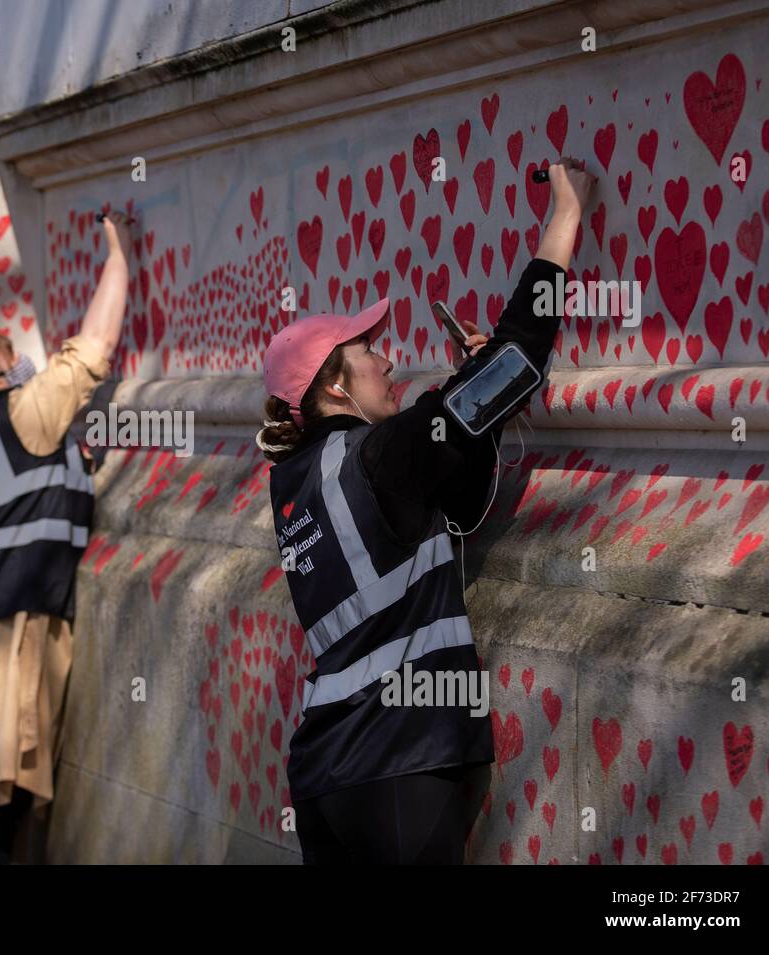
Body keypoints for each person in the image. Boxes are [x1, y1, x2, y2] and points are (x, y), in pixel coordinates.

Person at [257, 157, 596, 864]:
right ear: (335, 386)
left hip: (327, 777)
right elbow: (517, 362)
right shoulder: (376, 456)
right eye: (369, 351)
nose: (386, 361)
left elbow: (445, 499)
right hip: (398, 762)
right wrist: (564, 217)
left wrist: (467, 406)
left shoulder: (294, 480)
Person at [0, 209, 133, 864]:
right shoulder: (22, 413)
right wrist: (117, 254)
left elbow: (0, 509)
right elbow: (94, 343)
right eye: (17, 361)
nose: (30, 366)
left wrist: (71, 470)